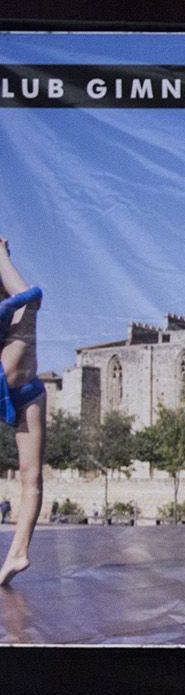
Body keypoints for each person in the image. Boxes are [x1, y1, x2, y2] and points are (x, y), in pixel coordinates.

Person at [0, 236, 46, 585]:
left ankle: (18, 554)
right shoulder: (14, 309)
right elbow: (30, 297)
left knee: (31, 477)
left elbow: (27, 298)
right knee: (31, 478)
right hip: (26, 385)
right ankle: (18, 551)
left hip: (23, 384)